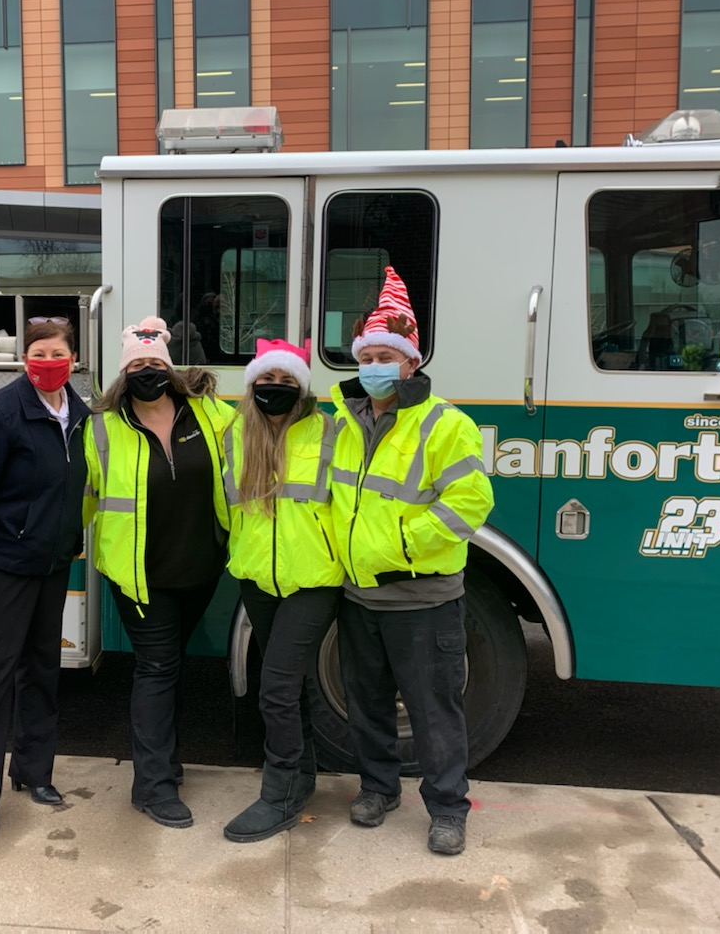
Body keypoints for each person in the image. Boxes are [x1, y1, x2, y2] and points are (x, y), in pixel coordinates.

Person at [329, 267, 494, 857]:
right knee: (366, 703)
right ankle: (378, 789)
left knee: (434, 711)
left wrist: (394, 546)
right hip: (358, 596)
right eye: (366, 354)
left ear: (411, 362)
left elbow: (470, 503)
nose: (373, 365)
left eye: (386, 355)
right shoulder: (344, 422)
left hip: (421, 598)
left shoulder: (447, 424)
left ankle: (448, 807)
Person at [83, 316, 231, 829]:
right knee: (157, 668)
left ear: (170, 369)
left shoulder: (210, 414)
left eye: (155, 364)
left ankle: (164, 761)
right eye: (137, 365)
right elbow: (84, 497)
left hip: (201, 569)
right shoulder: (102, 426)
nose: (147, 372)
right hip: (140, 577)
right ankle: (152, 786)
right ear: (124, 374)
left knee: (171, 666)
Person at [0, 319, 91, 841]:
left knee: (42, 671)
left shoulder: (79, 414)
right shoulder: (2, 411)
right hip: (1, 569)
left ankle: (33, 772)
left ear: (73, 359)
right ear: (24, 359)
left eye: (57, 352)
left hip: (52, 565)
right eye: (38, 352)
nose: (48, 361)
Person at [219, 338, 342, 843]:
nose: (275, 390)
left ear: (303, 390)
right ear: (252, 387)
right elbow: (228, 507)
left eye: (287, 383)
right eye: (266, 382)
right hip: (257, 578)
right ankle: (305, 774)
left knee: (275, 688)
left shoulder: (331, 432)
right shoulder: (236, 433)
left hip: (313, 581)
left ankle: (281, 795)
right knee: (291, 686)